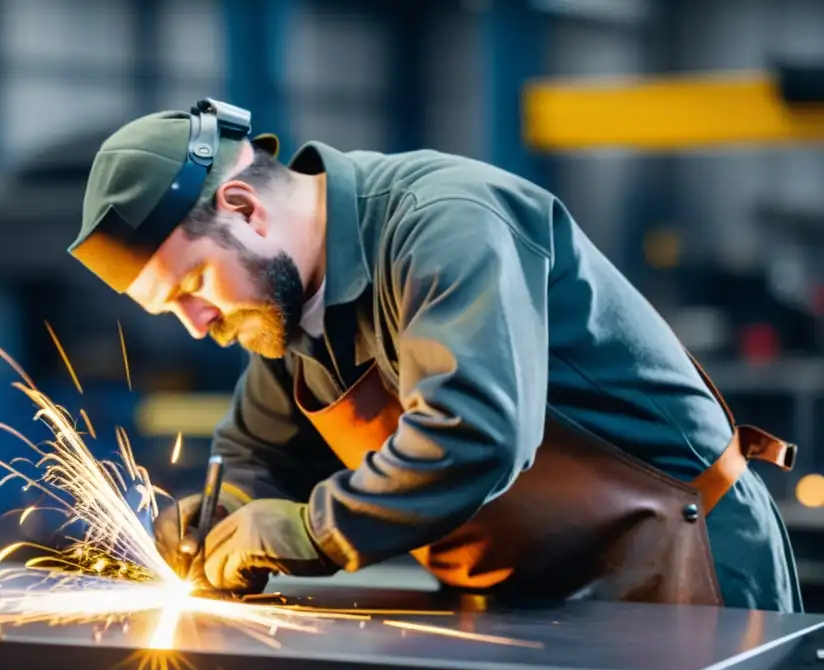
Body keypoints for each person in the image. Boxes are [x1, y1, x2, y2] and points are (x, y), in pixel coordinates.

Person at [69, 98, 802, 611]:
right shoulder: (284, 309)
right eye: (172, 309)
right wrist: (224, 511)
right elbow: (261, 451)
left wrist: (312, 531)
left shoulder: (445, 224)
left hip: (677, 565)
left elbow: (475, 434)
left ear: (244, 207)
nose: (198, 324)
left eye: (193, 285)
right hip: (521, 594)